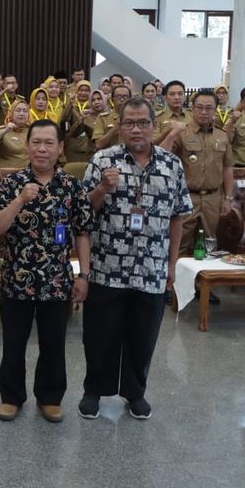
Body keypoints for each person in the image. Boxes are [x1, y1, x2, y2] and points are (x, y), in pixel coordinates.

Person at [79, 97, 191, 420]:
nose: (137, 129)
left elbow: (178, 218)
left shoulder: (172, 165)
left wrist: (172, 265)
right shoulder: (102, 160)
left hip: (151, 269)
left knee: (143, 336)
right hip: (107, 267)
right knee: (100, 334)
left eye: (143, 122)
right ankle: (93, 390)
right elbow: (84, 213)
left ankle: (135, 392)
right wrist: (102, 188)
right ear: (120, 126)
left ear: (154, 126)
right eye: (129, 123)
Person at [0, 120, 93, 423]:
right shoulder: (11, 183)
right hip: (16, 280)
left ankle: (49, 397)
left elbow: (83, 232)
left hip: (57, 280)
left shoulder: (71, 186)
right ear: (27, 145)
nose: (42, 149)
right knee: (13, 343)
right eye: (36, 142)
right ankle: (11, 397)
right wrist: (20, 200)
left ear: (61, 148)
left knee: (53, 344)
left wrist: (84, 276)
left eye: (49, 143)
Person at [164, 90, 234, 305]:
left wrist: (228, 197)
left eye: (209, 108)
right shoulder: (182, 133)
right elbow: (163, 157)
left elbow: (228, 168)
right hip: (186, 198)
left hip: (213, 197)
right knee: (180, 244)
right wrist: (172, 133)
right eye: (199, 107)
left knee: (207, 244)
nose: (204, 112)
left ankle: (201, 286)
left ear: (216, 110)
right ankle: (173, 287)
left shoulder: (222, 136)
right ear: (191, 108)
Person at [0, 99, 31, 171]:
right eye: (18, 110)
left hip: (28, 174)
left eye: (25, 111)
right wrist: (5, 131)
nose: (22, 113)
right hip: (7, 174)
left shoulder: (32, 131)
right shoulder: (4, 129)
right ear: (11, 113)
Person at [63, 81, 95, 163]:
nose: (83, 93)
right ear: (76, 91)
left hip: (89, 147)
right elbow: (64, 119)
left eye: (86, 90)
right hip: (74, 146)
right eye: (81, 90)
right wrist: (70, 103)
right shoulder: (72, 105)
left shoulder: (93, 107)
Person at [154, 80, 191, 145]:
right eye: (172, 94)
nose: (176, 97)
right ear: (165, 98)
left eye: (180, 94)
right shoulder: (157, 117)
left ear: (184, 97)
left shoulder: (192, 115)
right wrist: (167, 131)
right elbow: (153, 143)